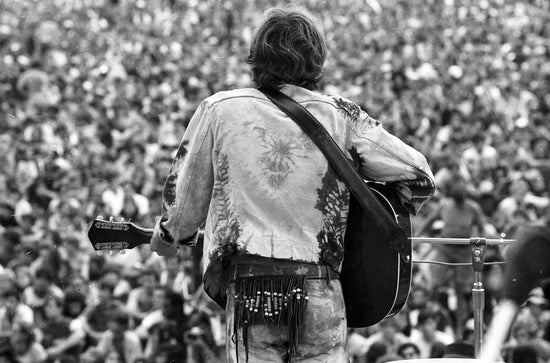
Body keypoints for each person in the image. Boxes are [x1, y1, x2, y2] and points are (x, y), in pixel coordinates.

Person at [150, 5, 435, 362]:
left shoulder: (219, 109)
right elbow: (418, 176)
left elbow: (185, 199)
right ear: (317, 59)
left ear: (257, 55)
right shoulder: (340, 115)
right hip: (319, 286)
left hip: (251, 287)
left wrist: (167, 238)